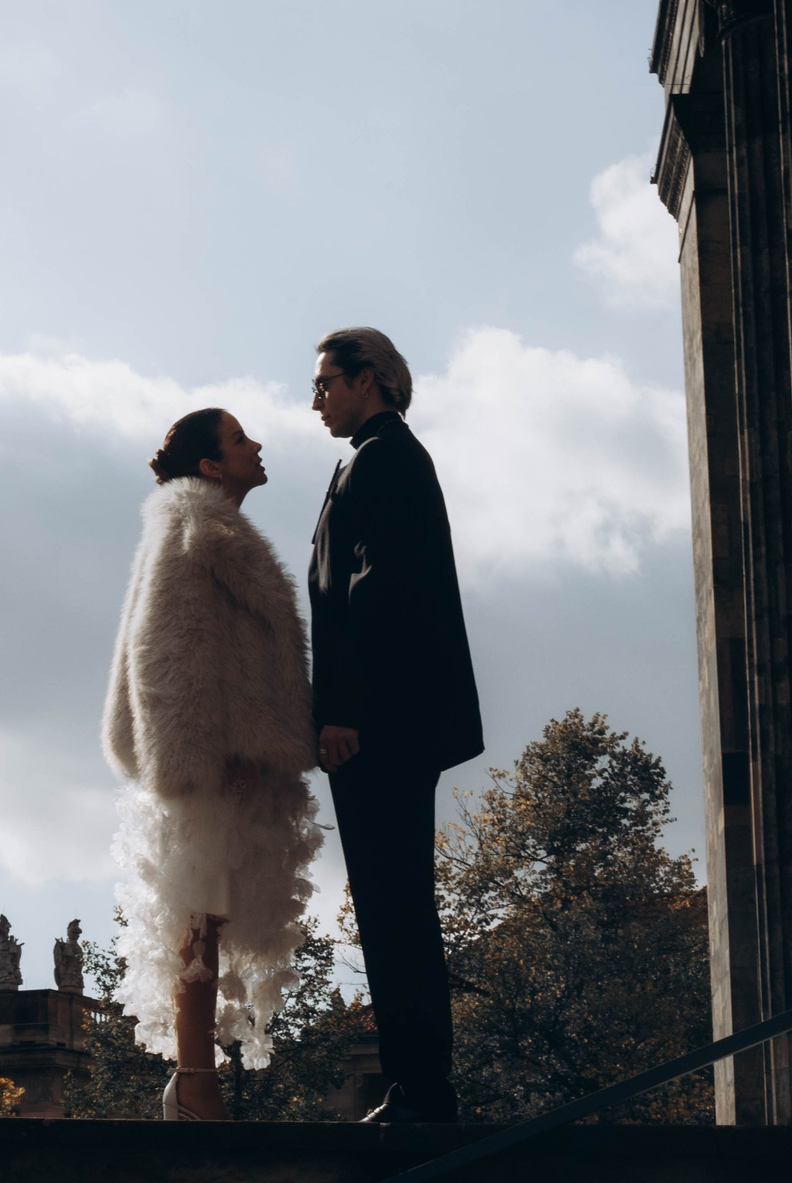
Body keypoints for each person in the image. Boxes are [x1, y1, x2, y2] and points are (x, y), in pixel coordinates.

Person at [104, 406, 320, 1122]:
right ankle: (194, 1081)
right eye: (238, 439)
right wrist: (203, 756)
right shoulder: (195, 525)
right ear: (210, 464)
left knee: (209, 913)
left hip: (226, 756)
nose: (256, 446)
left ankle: (196, 1079)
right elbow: (168, 647)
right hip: (210, 761)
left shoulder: (202, 524)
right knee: (199, 910)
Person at [307, 326, 481, 1124]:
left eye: (325, 383)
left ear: (367, 379)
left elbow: (372, 596)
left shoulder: (385, 458)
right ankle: (417, 1085)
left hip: (379, 723)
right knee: (390, 904)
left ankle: (422, 1089)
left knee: (396, 904)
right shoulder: (372, 456)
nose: (315, 398)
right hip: (392, 720)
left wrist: (343, 709)